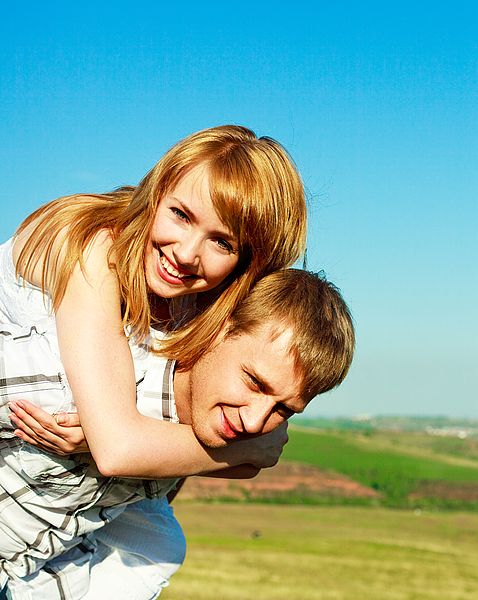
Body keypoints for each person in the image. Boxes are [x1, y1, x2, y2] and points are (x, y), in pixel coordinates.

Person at [0, 269, 355, 599]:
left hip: (35, 577)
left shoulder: (209, 427)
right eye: (254, 382)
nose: (254, 422)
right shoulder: (74, 381)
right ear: (218, 330)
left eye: (284, 409)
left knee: (162, 549)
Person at [0, 124, 307, 480]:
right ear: (158, 191)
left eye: (222, 243)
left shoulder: (194, 302)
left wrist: (135, 439)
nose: (186, 253)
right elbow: (117, 449)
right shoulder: (93, 247)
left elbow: (163, 446)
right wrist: (246, 449)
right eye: (181, 215)